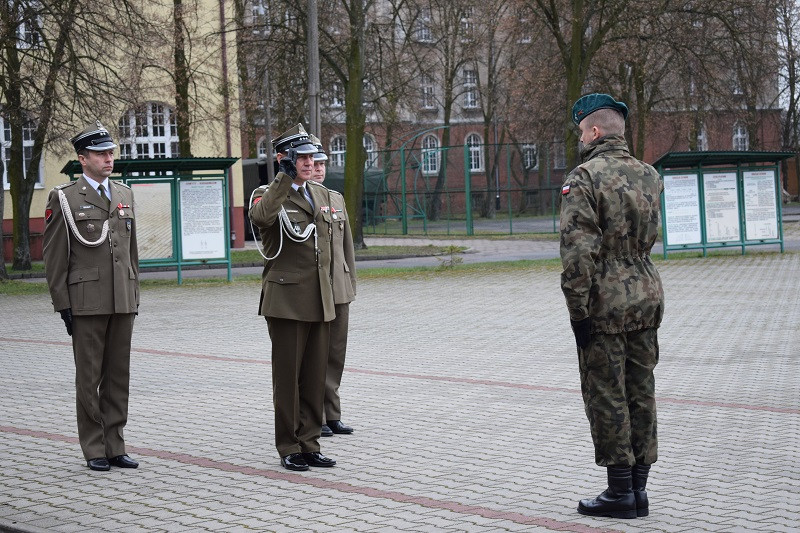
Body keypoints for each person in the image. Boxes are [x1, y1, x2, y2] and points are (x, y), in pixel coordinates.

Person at [559, 94, 664, 519]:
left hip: (604, 302)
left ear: (595, 131)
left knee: (607, 394)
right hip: (646, 293)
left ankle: (619, 491)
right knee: (642, 391)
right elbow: (650, 234)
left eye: (582, 130)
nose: (581, 137)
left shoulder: (583, 178)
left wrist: (577, 312)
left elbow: (577, 254)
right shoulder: (649, 174)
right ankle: (639, 489)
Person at [42, 121, 140, 472]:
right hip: (86, 301)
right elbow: (54, 256)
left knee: (118, 376)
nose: (108, 158)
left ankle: (116, 444)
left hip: (121, 299)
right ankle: (94, 447)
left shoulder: (125, 194)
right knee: (89, 377)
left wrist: (134, 294)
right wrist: (63, 305)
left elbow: (131, 252)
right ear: (83, 159)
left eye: (110, 152)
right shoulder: (65, 198)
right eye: (100, 153)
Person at [249, 124, 337, 471]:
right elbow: (261, 219)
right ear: (283, 158)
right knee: (288, 378)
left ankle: (310, 443)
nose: (307, 161)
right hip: (286, 299)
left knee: (314, 377)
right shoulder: (267, 192)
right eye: (299, 156)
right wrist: (283, 180)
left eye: (310, 155)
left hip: (318, 297)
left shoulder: (319, 193)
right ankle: (288, 445)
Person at [308, 134, 357, 438]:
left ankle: (332, 413)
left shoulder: (335, 199)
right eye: (314, 164)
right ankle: (316, 416)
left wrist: (350, 280)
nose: (319, 169)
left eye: (323, 163)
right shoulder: (300, 199)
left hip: (338, 285)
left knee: (336, 352)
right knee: (316, 353)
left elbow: (347, 245)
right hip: (314, 288)